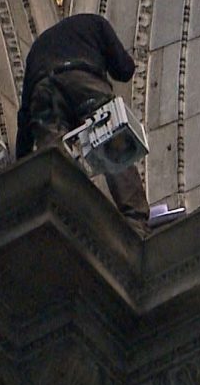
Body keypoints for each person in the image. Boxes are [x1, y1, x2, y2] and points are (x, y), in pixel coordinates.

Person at [16, 13, 151, 236]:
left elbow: (25, 115)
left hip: (43, 89)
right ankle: (136, 221)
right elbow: (124, 69)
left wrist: (20, 162)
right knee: (112, 141)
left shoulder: (38, 47)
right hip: (83, 79)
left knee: (56, 158)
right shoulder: (96, 24)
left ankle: (66, 216)